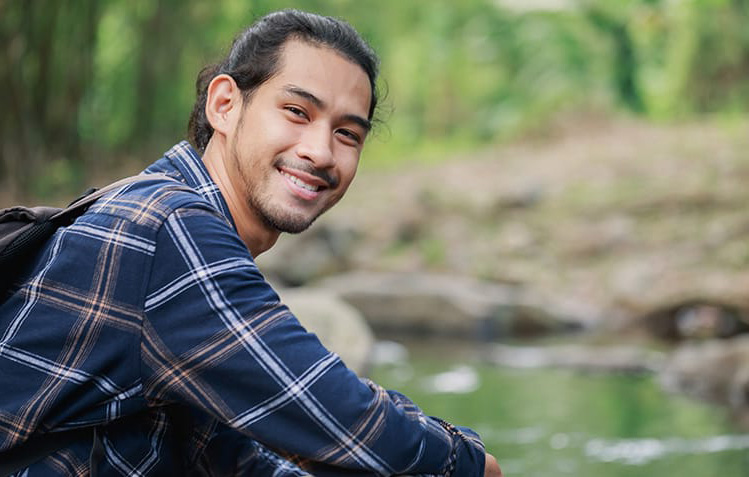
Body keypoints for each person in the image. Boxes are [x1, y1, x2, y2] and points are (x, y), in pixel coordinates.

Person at [0, 9, 502, 476]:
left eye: (348, 134)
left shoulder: (170, 218)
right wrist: (470, 462)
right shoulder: (167, 226)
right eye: (297, 112)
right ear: (224, 105)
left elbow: (224, 453)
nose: (321, 151)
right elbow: (330, 409)